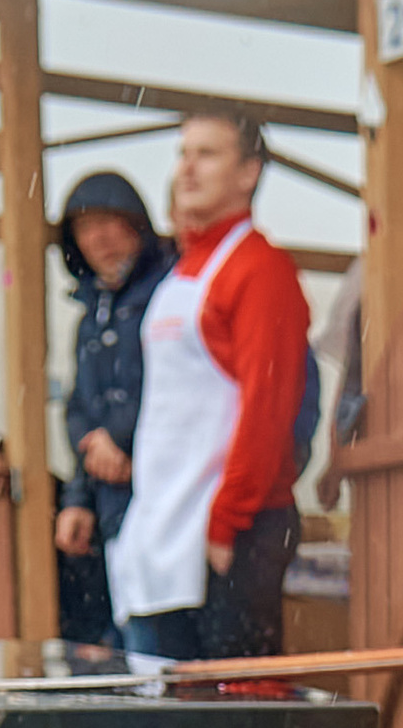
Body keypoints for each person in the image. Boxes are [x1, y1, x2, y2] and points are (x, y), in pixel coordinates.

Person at [105, 102, 312, 663]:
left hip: (226, 535)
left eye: (208, 154)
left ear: (249, 173)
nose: (188, 168)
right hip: (164, 533)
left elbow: (268, 410)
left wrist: (227, 523)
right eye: (183, 153)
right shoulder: (179, 271)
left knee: (236, 724)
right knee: (164, 725)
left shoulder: (260, 269)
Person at [50, 170, 169, 648]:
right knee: (120, 641)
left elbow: (167, 388)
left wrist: (119, 438)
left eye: (108, 222)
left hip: (164, 499)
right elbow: (80, 406)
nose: (97, 237)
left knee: (161, 645)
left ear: (136, 223)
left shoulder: (169, 295)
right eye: (84, 226)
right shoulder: (89, 320)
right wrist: (78, 495)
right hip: (111, 505)